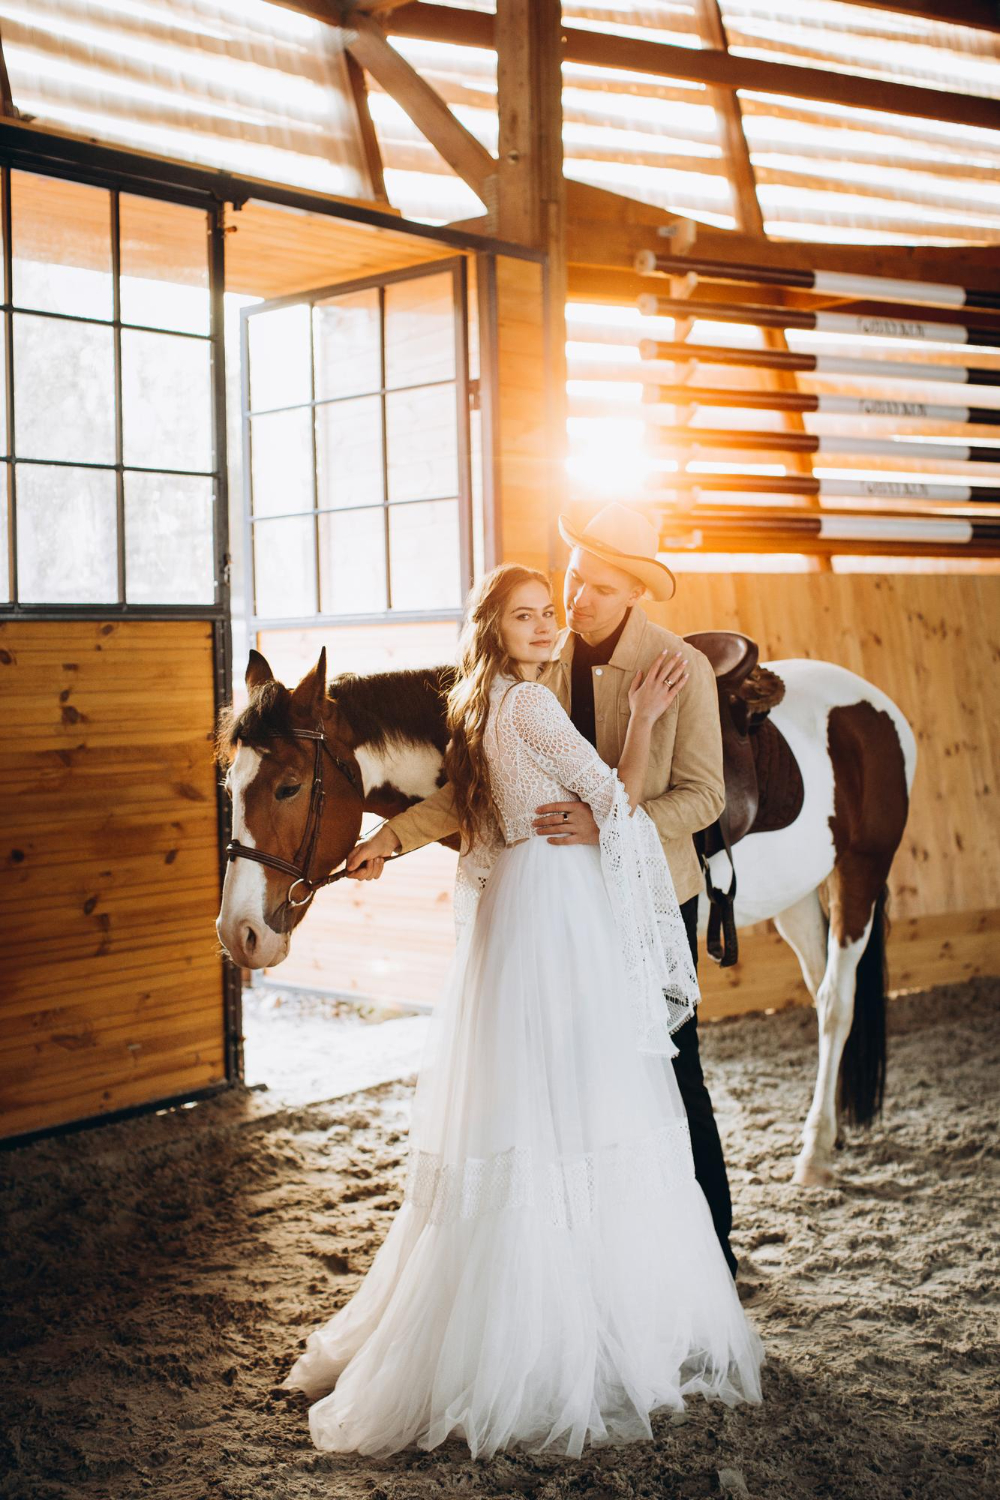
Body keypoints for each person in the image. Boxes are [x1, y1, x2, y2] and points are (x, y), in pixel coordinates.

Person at [279, 561, 763, 1459]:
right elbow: (559, 799)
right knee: (585, 1093)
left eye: (556, 612)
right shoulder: (524, 702)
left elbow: (590, 803)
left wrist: (650, 721)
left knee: (531, 1096)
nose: (551, 625)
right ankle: (579, 1302)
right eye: (531, 614)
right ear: (494, 625)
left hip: (530, 906)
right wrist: (393, 833)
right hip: (546, 908)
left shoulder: (490, 699)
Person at [351, 503, 739, 1277]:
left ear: (632, 593)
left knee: (667, 1067)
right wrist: (393, 835)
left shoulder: (679, 669)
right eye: (571, 580)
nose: (577, 600)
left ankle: (712, 1255)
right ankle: (585, 1255)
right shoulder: (537, 661)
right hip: (554, 903)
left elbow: (705, 797)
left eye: (597, 587)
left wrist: (610, 825)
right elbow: (478, 791)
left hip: (643, 885)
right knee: (566, 1071)